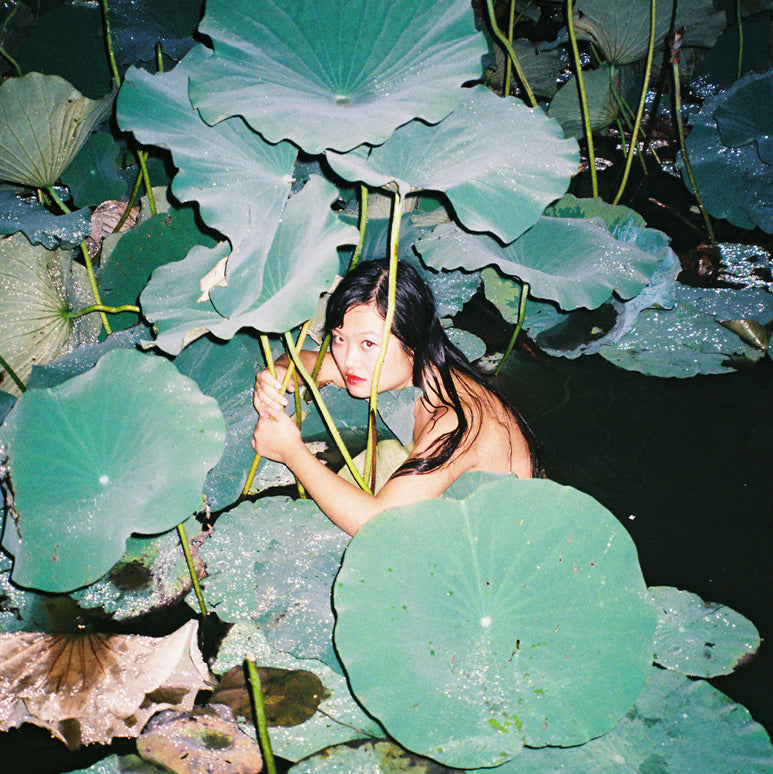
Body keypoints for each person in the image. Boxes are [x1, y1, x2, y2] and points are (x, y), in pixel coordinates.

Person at [252, 259, 542, 535]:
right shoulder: (419, 368)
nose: (349, 360)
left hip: (507, 548)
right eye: (340, 338)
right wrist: (280, 371)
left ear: (412, 340)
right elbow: (308, 361)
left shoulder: (458, 420)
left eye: (368, 343)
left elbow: (380, 527)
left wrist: (291, 452)